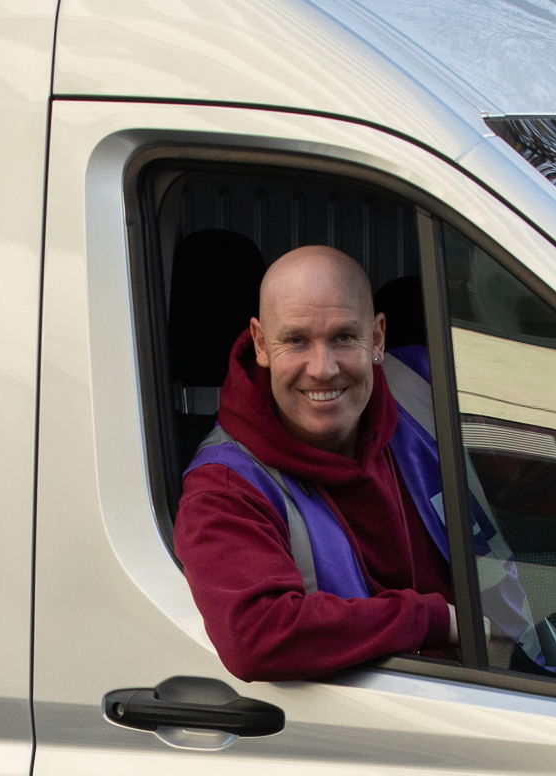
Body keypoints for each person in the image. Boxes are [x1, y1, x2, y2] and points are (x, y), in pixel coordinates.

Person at [174, 244, 524, 682]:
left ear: (377, 337)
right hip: (382, 722)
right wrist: (441, 621)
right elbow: (256, 637)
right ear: (261, 343)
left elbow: (551, 477)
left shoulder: (428, 389)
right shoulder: (226, 486)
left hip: (522, 679)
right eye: (296, 340)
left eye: (343, 337)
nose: (322, 369)